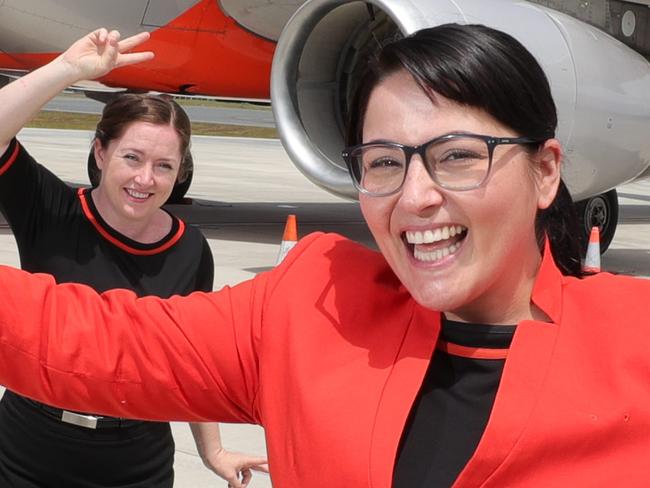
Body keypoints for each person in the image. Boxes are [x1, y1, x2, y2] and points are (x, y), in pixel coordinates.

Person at [0, 21, 647, 488]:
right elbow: (77, 343)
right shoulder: (312, 307)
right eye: (384, 163)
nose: (414, 197)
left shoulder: (634, 344)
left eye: (456, 156)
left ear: (545, 171)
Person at [0, 29, 265, 488]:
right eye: (132, 157)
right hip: (26, 452)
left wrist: (212, 450)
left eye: (164, 165)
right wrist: (66, 71)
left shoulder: (188, 248)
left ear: (179, 172)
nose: (145, 178)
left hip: (135, 464)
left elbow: (190, 358)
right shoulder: (51, 209)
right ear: (100, 152)